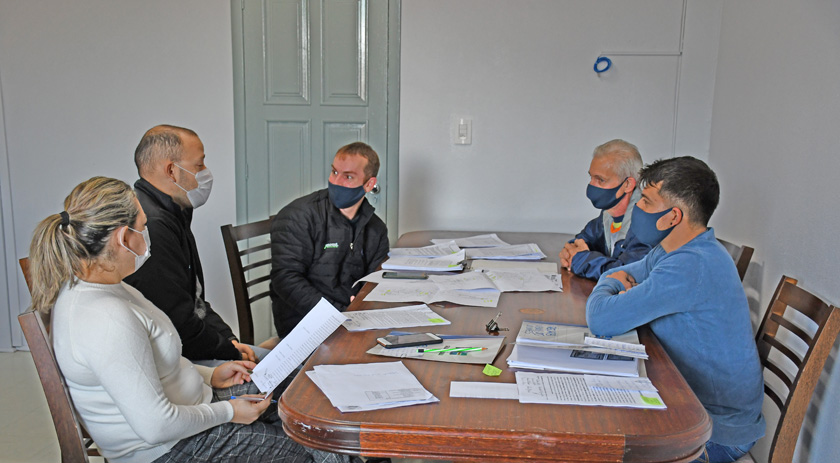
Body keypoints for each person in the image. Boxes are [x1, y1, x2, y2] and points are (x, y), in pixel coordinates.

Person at [28, 176, 343, 463]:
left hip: (194, 409)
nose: (148, 237)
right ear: (123, 238)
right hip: (171, 448)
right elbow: (156, 426)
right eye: (143, 227)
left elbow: (150, 365)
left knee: (310, 402)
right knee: (317, 443)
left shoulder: (108, 287)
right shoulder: (105, 318)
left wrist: (210, 375)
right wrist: (229, 411)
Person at [585, 157, 765, 463]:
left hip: (712, 432)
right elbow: (616, 276)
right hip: (687, 405)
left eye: (646, 201)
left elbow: (600, 318)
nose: (637, 207)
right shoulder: (672, 250)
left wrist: (613, 287)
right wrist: (613, 282)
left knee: (597, 445)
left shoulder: (692, 264)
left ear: (673, 216)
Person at [124, 125, 261, 363]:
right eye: (199, 165)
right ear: (172, 171)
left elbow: (195, 302)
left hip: (194, 347)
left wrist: (230, 340)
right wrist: (230, 352)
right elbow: (179, 324)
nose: (205, 173)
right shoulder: (153, 227)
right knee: (286, 376)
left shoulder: (174, 212)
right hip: (179, 361)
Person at [270, 142, 389, 337]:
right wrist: (338, 313)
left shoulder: (376, 228)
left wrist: (360, 307)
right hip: (304, 325)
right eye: (334, 172)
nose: (336, 182)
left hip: (353, 320)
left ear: (369, 184)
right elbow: (286, 279)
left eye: (348, 176)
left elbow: (375, 280)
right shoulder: (298, 216)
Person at [560, 139, 651, 280]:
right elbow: (581, 241)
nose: (591, 185)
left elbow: (626, 274)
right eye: (591, 177)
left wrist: (579, 259)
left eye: (600, 180)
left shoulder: (646, 225)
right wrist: (569, 253)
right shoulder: (607, 215)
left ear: (628, 184)